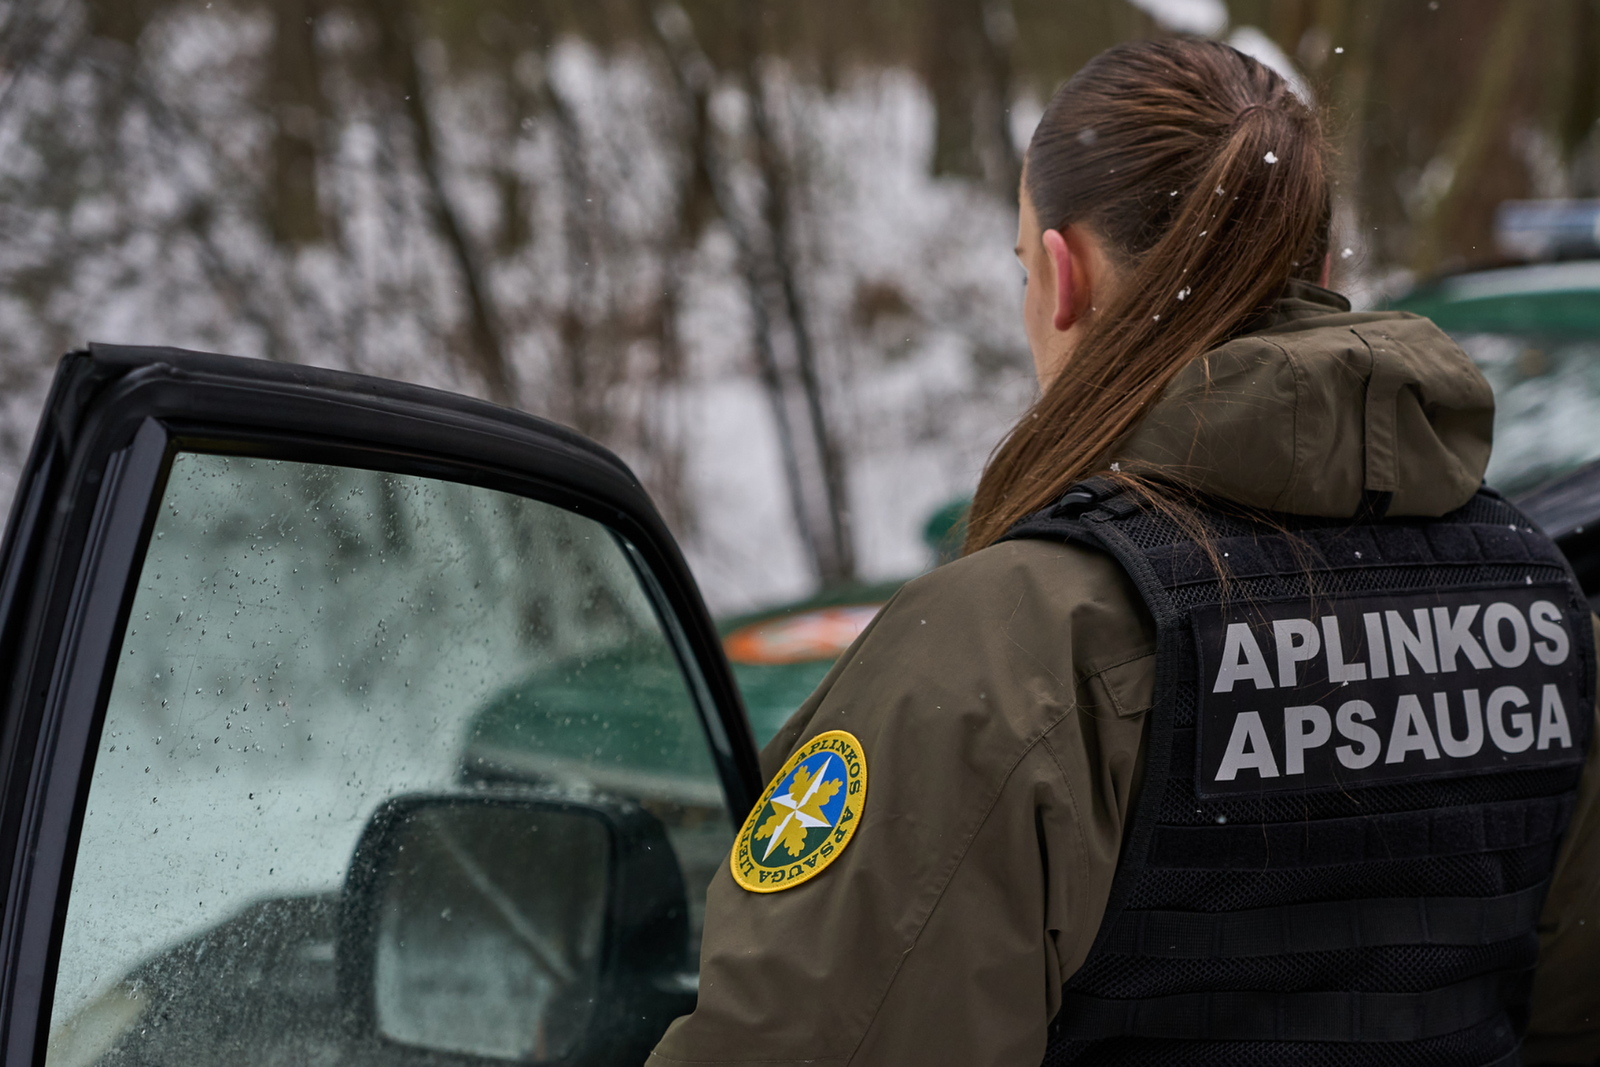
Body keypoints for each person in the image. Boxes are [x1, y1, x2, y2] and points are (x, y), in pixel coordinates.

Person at [648, 37, 1600, 1067]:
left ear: (1064, 275)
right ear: (1322, 272)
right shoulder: (1550, 611)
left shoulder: (1008, 647)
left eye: (1024, 265)